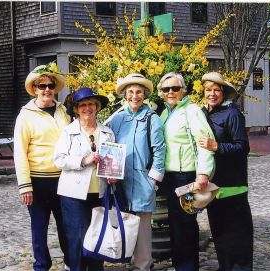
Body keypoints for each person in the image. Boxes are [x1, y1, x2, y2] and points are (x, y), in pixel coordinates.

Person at [14, 63, 71, 271]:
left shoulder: (63, 111)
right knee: (39, 228)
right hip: (38, 181)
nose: (46, 89)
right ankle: (41, 266)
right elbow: (20, 152)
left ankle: (70, 262)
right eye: (42, 86)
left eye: (50, 85)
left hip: (63, 179)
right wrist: (25, 186)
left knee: (66, 226)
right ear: (35, 89)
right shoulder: (26, 116)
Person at [158, 72, 216, 271]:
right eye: (166, 89)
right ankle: (180, 265)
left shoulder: (192, 111)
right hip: (170, 177)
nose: (171, 92)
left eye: (175, 88)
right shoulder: (165, 113)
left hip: (186, 176)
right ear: (161, 93)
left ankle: (188, 267)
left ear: (183, 90)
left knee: (186, 226)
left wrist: (203, 174)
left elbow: (204, 143)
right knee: (175, 226)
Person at [108, 73, 166, 271]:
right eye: (131, 92)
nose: (135, 96)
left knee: (142, 229)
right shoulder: (117, 118)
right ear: (125, 95)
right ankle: (129, 262)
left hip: (142, 181)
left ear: (145, 95)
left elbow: (160, 150)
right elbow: (107, 142)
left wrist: (154, 180)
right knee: (125, 224)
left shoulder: (152, 118)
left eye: (139, 92)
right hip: (120, 181)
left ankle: (143, 266)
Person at [54, 87, 116, 271]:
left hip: (100, 192)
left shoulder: (107, 132)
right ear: (76, 109)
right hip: (73, 194)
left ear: (97, 107)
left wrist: (113, 175)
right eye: (83, 105)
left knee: (98, 236)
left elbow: (113, 159)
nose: (87, 109)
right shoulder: (68, 132)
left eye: (91, 104)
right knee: (77, 237)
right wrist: (83, 160)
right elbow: (59, 159)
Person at [198, 72, 253, 271]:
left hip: (233, 186)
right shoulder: (203, 114)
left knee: (237, 237)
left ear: (223, 93)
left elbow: (242, 147)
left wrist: (217, 146)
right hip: (213, 187)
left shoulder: (232, 114)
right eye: (208, 90)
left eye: (216, 90)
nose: (212, 94)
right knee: (220, 236)